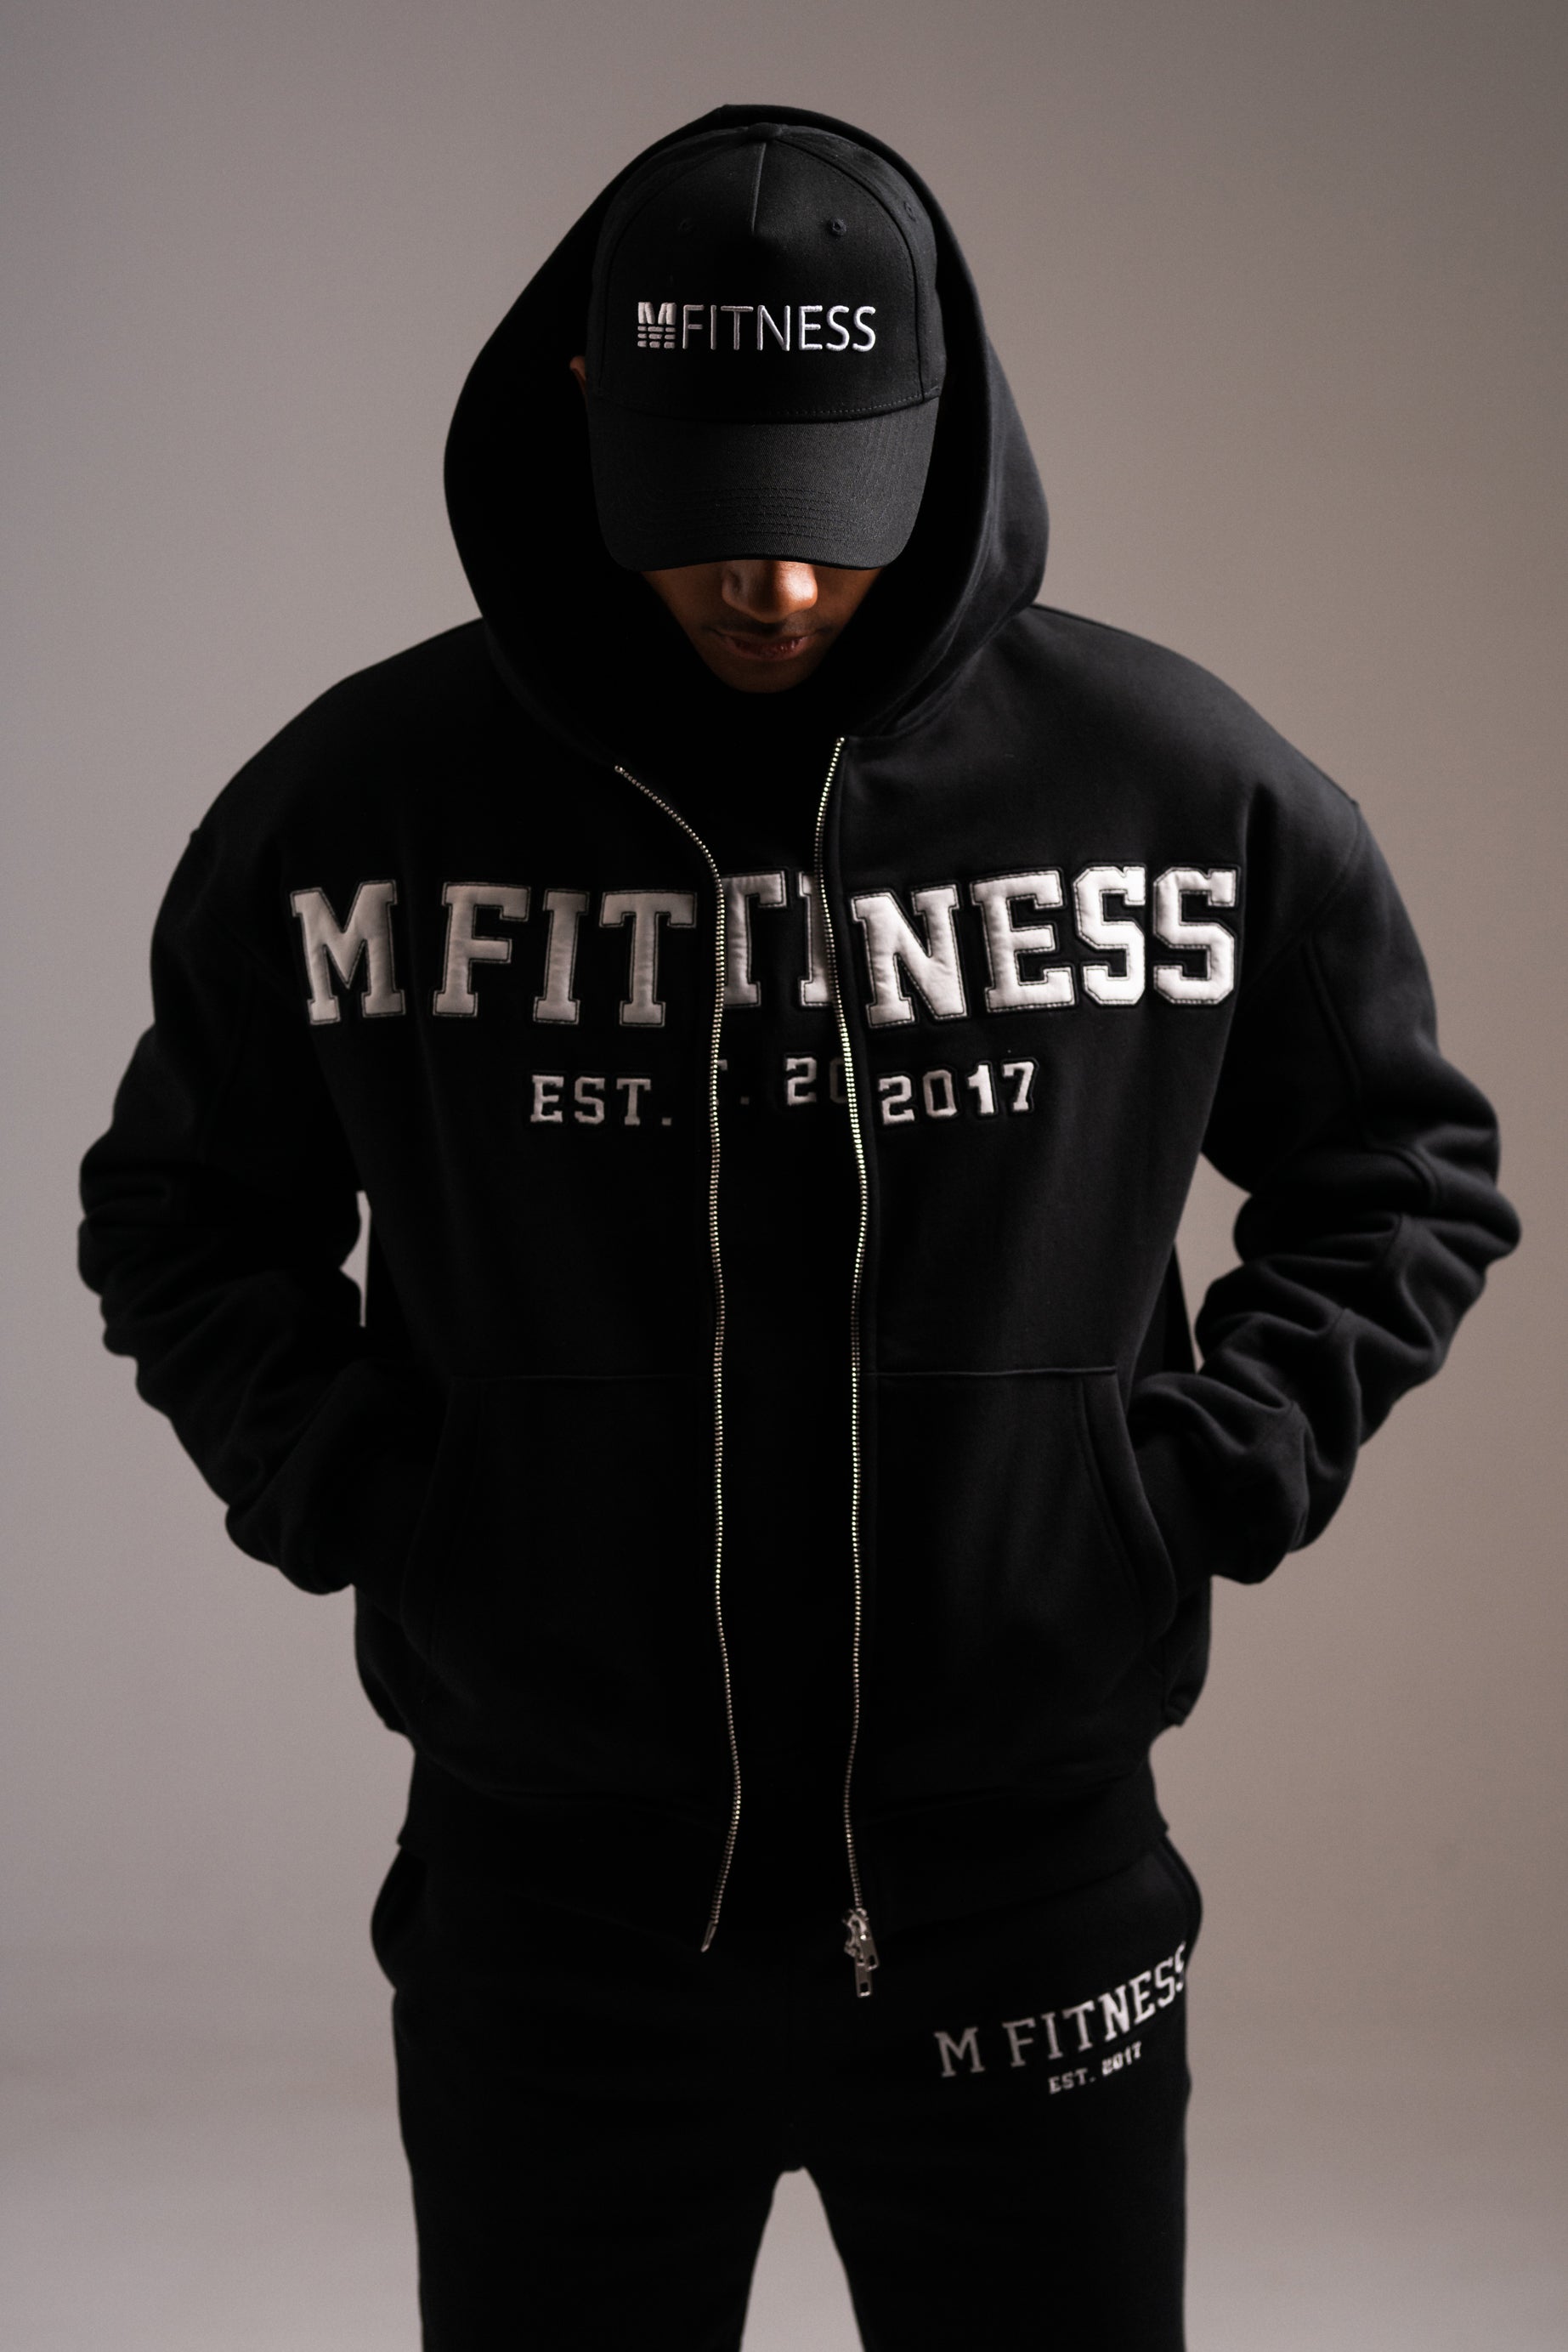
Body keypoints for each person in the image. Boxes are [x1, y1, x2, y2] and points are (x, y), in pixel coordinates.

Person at [78, 102, 1519, 2351]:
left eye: (829, 520)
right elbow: (179, 1209)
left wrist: (1190, 1480)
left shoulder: (1176, 789)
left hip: (1029, 1897)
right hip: (549, 1917)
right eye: (713, 520)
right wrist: (374, 1494)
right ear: (588, 412)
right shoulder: (363, 811)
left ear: (942, 420)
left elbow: (1404, 1169)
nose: (771, 589)